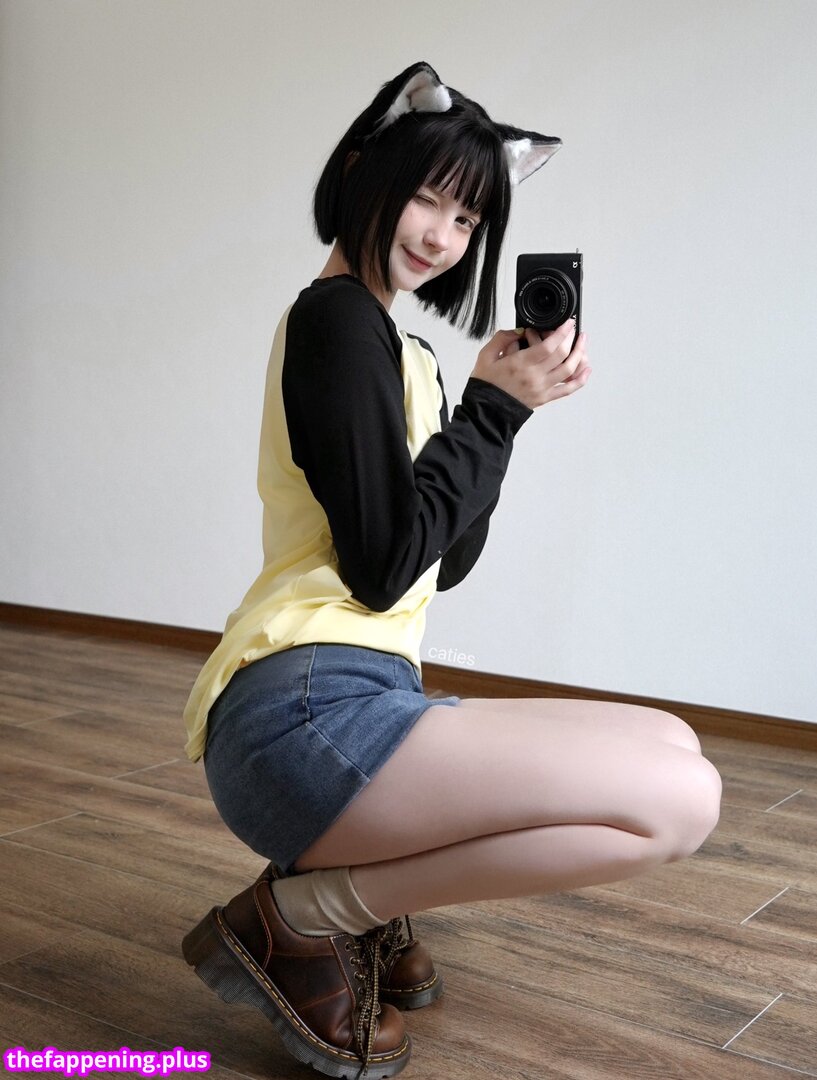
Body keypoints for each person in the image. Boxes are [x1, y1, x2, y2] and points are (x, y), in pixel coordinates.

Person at [180, 62, 722, 1080]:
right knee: (676, 803)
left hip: (362, 693)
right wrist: (495, 412)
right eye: (428, 198)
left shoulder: (410, 356)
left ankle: (351, 890)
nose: (441, 236)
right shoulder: (335, 320)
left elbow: (447, 557)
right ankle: (306, 913)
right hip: (301, 710)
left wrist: (497, 414)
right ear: (364, 170)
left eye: (468, 219)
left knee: (674, 744)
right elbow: (384, 569)